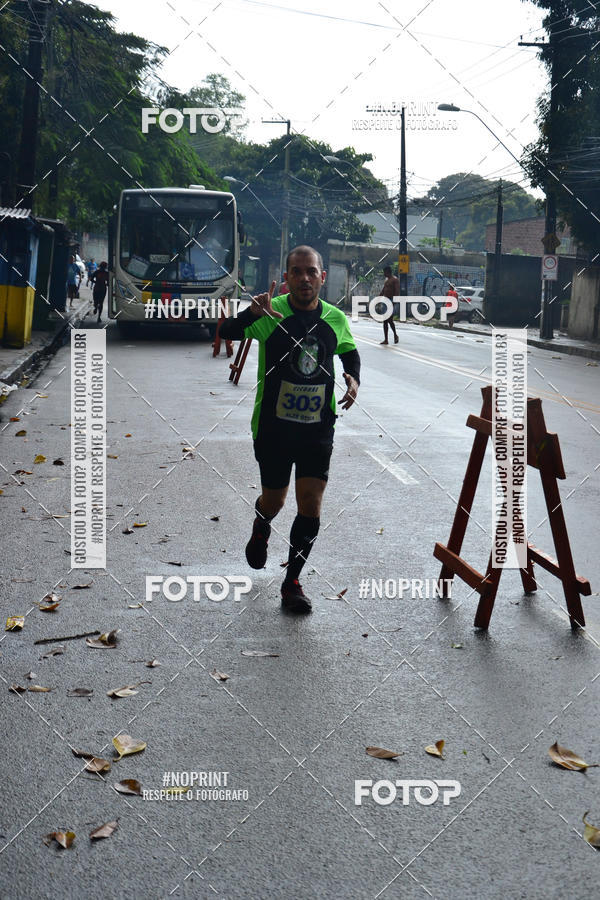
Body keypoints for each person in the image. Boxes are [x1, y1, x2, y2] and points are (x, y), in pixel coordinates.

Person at [219, 245, 361, 614]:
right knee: (276, 500)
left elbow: (349, 350)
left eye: (311, 271)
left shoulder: (334, 318)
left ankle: (292, 581)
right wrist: (251, 311)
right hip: (274, 428)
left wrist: (353, 377)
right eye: (296, 272)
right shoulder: (272, 313)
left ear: (322, 277)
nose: (304, 278)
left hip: (317, 429)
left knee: (311, 503)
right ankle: (262, 523)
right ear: (287, 278)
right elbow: (227, 330)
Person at [380, 265, 399, 344]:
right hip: (385, 300)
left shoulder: (395, 280)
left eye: (384, 272)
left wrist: (394, 301)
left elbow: (397, 291)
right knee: (385, 320)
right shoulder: (387, 280)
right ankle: (386, 339)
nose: (384, 274)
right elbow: (383, 290)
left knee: (389, 320)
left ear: (388, 272)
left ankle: (395, 335)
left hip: (390, 301)